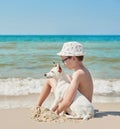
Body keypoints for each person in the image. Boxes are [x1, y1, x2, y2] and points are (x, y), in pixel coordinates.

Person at [36, 41, 93, 115]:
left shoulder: (77, 74)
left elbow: (68, 100)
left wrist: (57, 111)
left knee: (49, 80)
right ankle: (38, 106)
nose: (63, 63)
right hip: (85, 105)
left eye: (64, 60)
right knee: (66, 77)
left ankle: (37, 106)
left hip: (76, 106)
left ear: (73, 58)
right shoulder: (83, 71)